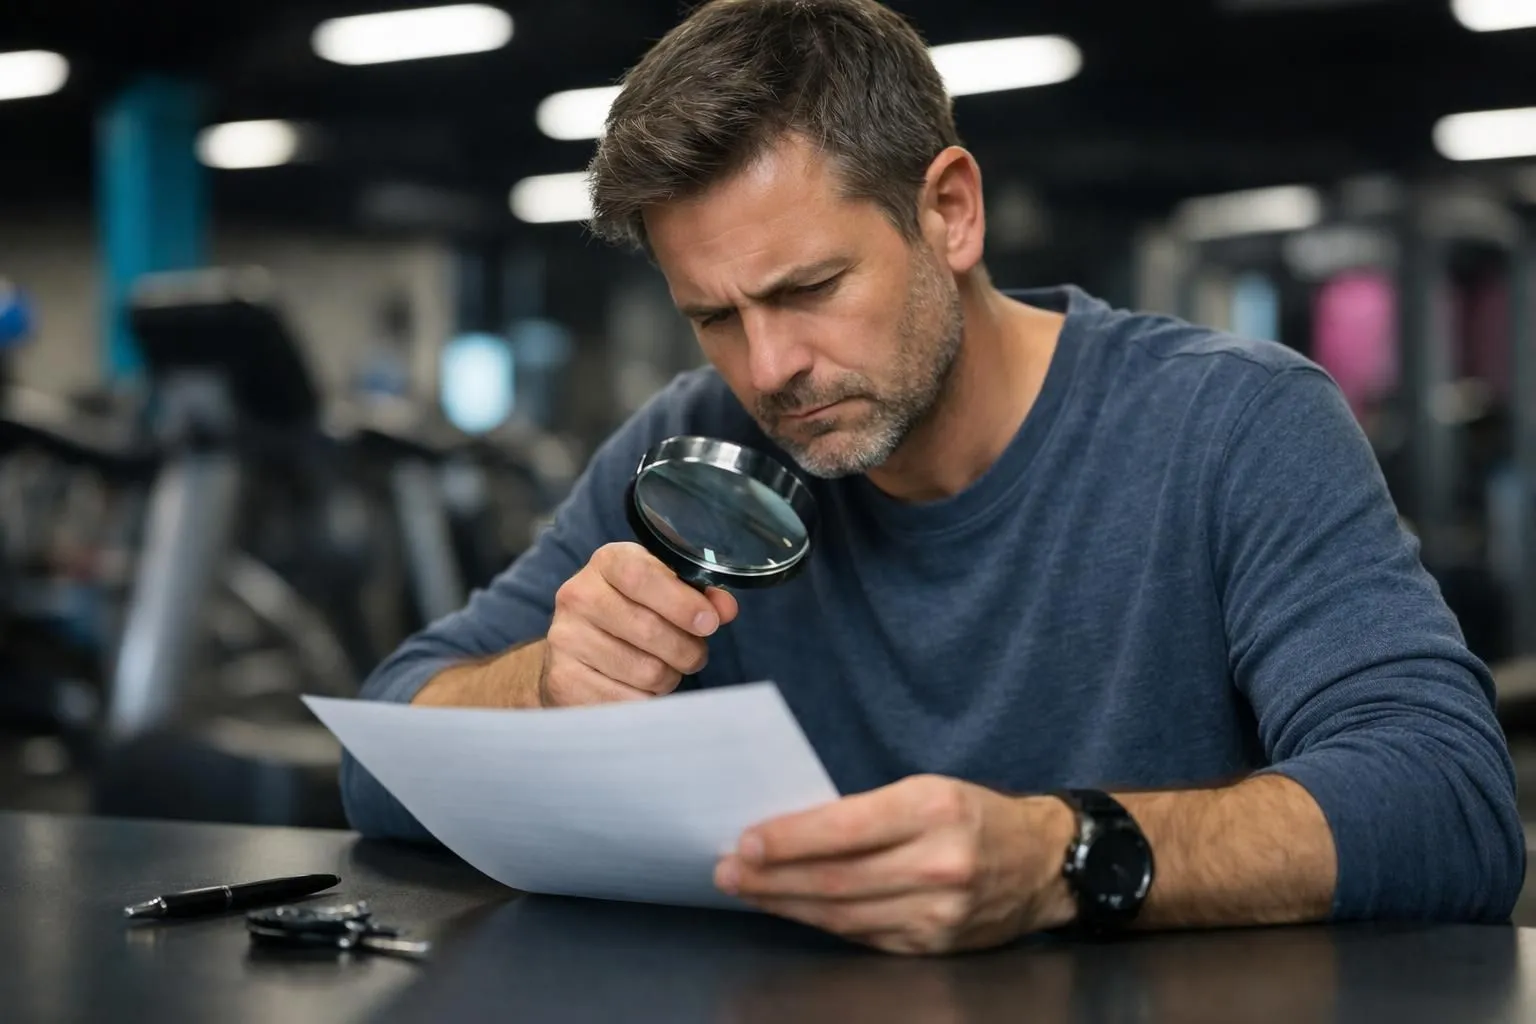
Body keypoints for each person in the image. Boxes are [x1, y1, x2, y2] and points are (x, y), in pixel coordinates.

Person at [340, 0, 1523, 955]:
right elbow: (380, 754)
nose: (769, 367)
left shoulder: (1234, 423)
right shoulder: (700, 441)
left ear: (950, 211)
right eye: (715, 316)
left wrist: (1062, 856)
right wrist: (545, 686)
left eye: (810, 289)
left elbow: (1449, 802)